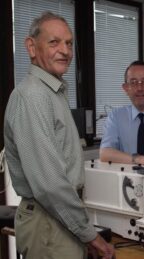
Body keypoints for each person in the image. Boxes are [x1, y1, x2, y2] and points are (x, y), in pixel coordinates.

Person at [4, 12, 115, 259]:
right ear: (31, 47)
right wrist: (91, 236)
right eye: (54, 42)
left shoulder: (53, 92)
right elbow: (50, 185)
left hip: (59, 218)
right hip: (48, 223)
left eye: (69, 43)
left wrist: (80, 231)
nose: (65, 51)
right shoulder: (32, 97)